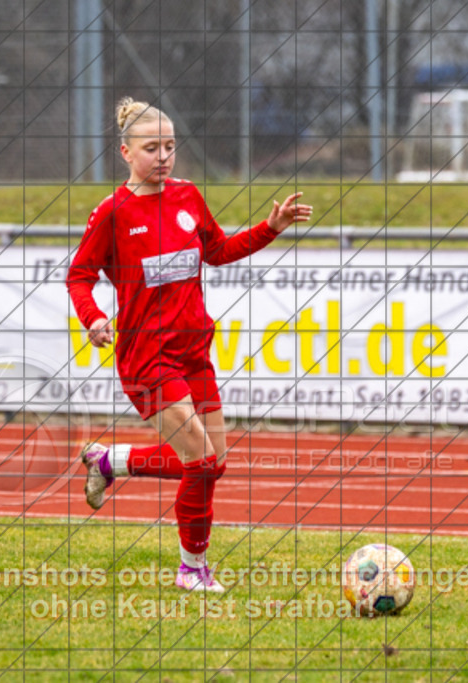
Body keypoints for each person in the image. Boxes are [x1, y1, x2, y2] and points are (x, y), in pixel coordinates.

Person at [66, 96, 312, 593]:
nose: (163, 156)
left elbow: (217, 250)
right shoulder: (113, 212)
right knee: (200, 462)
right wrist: (92, 318)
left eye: (170, 147)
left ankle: (113, 461)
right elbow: (79, 275)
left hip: (193, 351)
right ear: (125, 152)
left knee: (212, 464)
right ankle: (191, 570)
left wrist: (271, 229)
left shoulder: (188, 196)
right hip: (146, 358)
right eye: (151, 147)